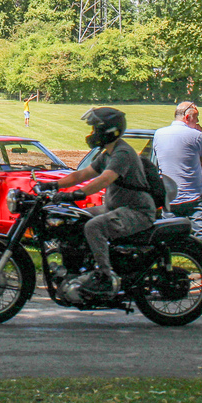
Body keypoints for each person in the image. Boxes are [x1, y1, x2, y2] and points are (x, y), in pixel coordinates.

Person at [54, 106, 155, 297]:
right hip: (116, 208)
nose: (92, 134)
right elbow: (82, 174)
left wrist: (77, 194)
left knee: (94, 226)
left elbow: (104, 179)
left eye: (95, 129)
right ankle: (79, 269)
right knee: (74, 219)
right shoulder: (108, 153)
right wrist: (53, 186)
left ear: (107, 130)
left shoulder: (122, 153)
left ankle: (105, 276)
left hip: (137, 211)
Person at [153, 101, 202, 242]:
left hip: (169, 196)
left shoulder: (158, 134)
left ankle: (168, 261)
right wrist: (199, 133)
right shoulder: (197, 136)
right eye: (196, 118)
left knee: (168, 237)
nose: (197, 122)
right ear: (187, 117)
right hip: (193, 196)